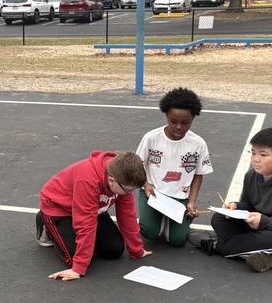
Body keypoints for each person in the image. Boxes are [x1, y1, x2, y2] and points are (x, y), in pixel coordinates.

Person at [199, 127, 272, 272]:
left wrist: (265, 222)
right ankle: (267, 256)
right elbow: (249, 206)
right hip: (263, 225)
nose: (256, 159)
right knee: (219, 219)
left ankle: (216, 245)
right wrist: (236, 206)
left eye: (263, 155)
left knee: (264, 239)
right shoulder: (251, 176)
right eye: (253, 153)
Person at [36, 151, 153, 281]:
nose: (130, 193)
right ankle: (46, 224)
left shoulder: (122, 177)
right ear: (111, 180)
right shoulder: (87, 180)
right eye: (129, 190)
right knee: (74, 258)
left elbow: (128, 214)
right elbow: (86, 223)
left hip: (93, 206)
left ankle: (79, 241)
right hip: (59, 208)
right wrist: (78, 268)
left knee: (114, 250)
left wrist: (136, 250)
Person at [135, 87, 213, 247]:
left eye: (185, 122)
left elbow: (198, 174)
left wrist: (192, 201)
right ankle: (159, 220)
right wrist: (146, 184)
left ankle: (171, 222)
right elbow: (138, 165)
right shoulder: (151, 138)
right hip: (153, 194)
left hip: (180, 198)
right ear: (166, 116)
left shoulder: (198, 143)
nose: (179, 127)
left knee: (178, 240)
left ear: (193, 118)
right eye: (173, 121)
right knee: (149, 232)